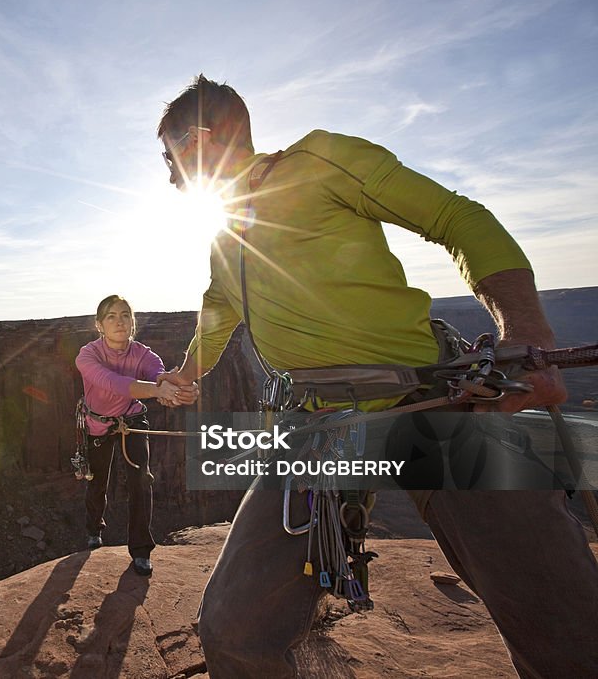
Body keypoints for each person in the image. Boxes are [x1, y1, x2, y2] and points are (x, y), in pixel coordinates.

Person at [155, 75, 597, 677]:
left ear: (200, 137)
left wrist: (528, 332)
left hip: (433, 402)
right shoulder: (223, 233)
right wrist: (186, 372)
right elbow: (218, 310)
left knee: (569, 635)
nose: (170, 174)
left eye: (169, 156)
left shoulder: (322, 159)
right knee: (235, 632)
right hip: (315, 428)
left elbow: (457, 218)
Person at [75, 294, 196, 576]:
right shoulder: (87, 355)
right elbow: (113, 383)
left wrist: (177, 388)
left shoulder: (143, 354)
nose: (120, 322)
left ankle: (141, 550)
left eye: (125, 315)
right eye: (111, 316)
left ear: (133, 322)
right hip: (98, 425)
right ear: (99, 325)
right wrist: (158, 390)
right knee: (97, 483)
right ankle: (94, 529)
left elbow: (159, 375)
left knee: (141, 481)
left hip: (131, 420)